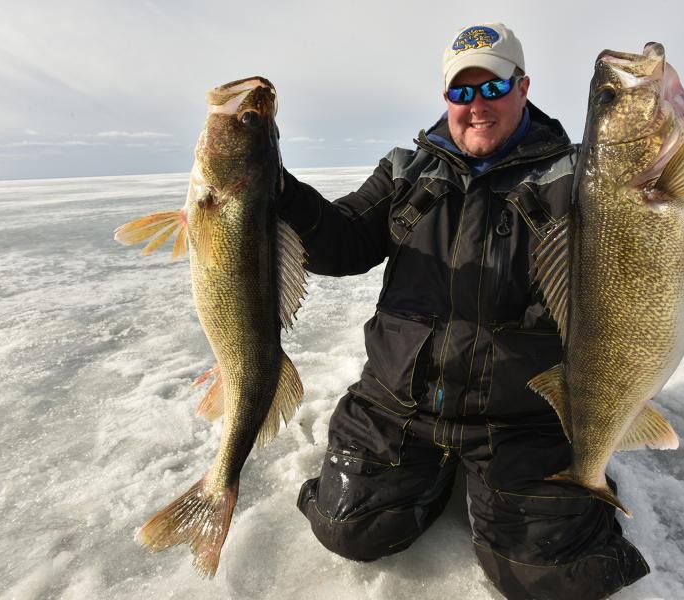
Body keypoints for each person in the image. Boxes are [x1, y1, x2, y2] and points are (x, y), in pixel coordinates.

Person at [277, 22, 649, 600]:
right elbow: (340, 241)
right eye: (460, 92)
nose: (475, 107)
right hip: (399, 401)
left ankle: (540, 484)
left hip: (522, 412)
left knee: (551, 576)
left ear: (523, 87)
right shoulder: (407, 171)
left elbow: (643, 219)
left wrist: (665, 152)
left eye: (491, 88)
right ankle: (427, 476)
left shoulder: (578, 179)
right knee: (348, 526)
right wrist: (270, 185)